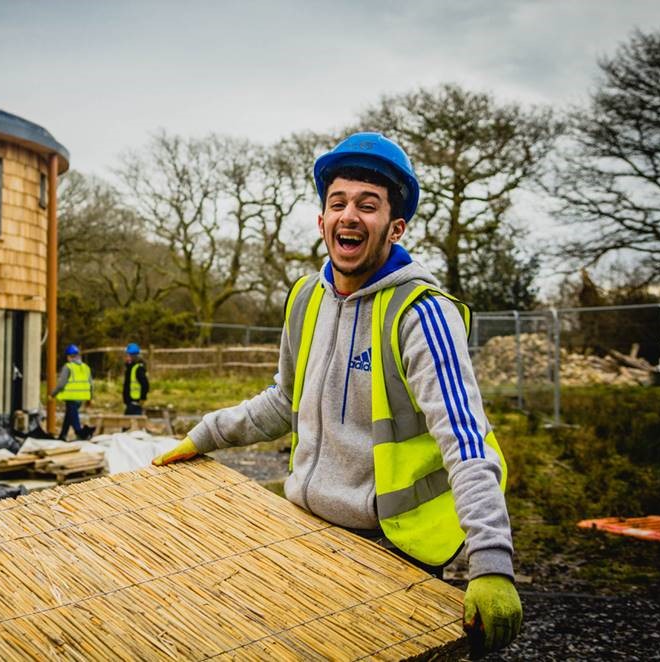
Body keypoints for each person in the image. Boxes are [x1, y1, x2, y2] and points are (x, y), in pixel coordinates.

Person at [153, 132, 522, 654]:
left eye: (367, 205)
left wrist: (491, 562)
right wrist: (205, 435)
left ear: (395, 227)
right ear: (322, 221)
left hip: (393, 548)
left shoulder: (421, 313)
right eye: (338, 203)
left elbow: (465, 439)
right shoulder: (306, 298)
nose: (349, 214)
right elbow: (284, 401)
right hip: (307, 528)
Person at [50, 344, 93, 441]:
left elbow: (61, 384)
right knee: (69, 416)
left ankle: (81, 433)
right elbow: (91, 385)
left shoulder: (68, 367)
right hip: (81, 398)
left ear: (69, 357)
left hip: (71, 397)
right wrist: (90, 398)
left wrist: (52, 394)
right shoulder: (86, 367)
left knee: (73, 417)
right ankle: (63, 435)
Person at [122, 342, 150, 415]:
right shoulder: (129, 368)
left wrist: (142, 398)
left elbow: (145, 385)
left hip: (135, 401)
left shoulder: (138, 368)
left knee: (129, 423)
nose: (126, 357)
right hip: (129, 401)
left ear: (133, 356)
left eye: (128, 355)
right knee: (127, 423)